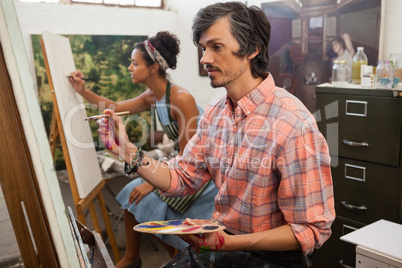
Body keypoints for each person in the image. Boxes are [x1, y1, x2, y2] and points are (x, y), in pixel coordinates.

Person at [97, 2, 335, 267]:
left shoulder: (293, 124)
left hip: (272, 257)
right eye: (203, 48)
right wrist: (128, 151)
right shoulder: (215, 112)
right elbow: (183, 177)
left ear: (251, 49)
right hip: (225, 244)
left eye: (216, 47)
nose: (205, 59)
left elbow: (312, 228)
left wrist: (231, 242)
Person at [69, 31, 218, 268]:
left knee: (148, 199)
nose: (130, 67)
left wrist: (151, 182)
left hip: (202, 175)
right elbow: (115, 107)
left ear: (153, 68)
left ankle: (179, 261)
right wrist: (82, 91)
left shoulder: (180, 98)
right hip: (183, 166)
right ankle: (132, 258)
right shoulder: (153, 96)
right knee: (132, 193)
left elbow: (189, 158)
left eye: (134, 63)